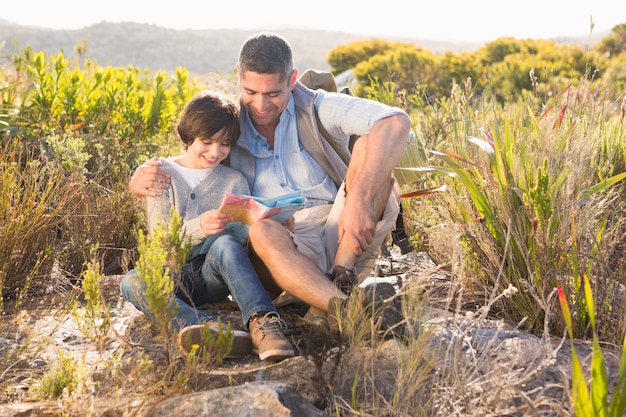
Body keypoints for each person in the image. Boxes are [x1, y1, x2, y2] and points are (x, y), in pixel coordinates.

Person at [129, 32, 411, 335]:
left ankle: (338, 279)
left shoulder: (317, 107)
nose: (261, 105)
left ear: (291, 78)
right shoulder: (230, 126)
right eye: (251, 91)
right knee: (263, 231)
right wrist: (142, 176)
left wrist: (360, 198)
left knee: (372, 148)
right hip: (279, 248)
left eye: (273, 94)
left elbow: (395, 121)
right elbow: (198, 154)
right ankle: (346, 310)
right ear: (238, 74)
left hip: (343, 231)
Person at [120, 90, 295, 362]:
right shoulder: (160, 173)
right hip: (171, 278)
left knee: (226, 242)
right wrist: (200, 226)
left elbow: (241, 246)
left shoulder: (234, 180)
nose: (216, 152)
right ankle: (203, 326)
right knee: (131, 281)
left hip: (213, 276)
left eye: (224, 144)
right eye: (207, 141)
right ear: (188, 135)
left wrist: (272, 223)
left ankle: (263, 323)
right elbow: (161, 240)